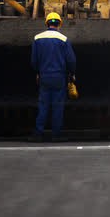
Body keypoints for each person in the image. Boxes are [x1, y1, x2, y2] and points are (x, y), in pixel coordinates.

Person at [29, 12, 76, 142]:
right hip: (59, 77)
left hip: (44, 77)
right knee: (57, 106)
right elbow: (71, 60)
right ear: (59, 24)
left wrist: (38, 72)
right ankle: (56, 134)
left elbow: (34, 60)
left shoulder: (37, 38)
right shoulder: (64, 39)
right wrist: (71, 74)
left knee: (43, 105)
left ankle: (38, 133)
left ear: (47, 23)